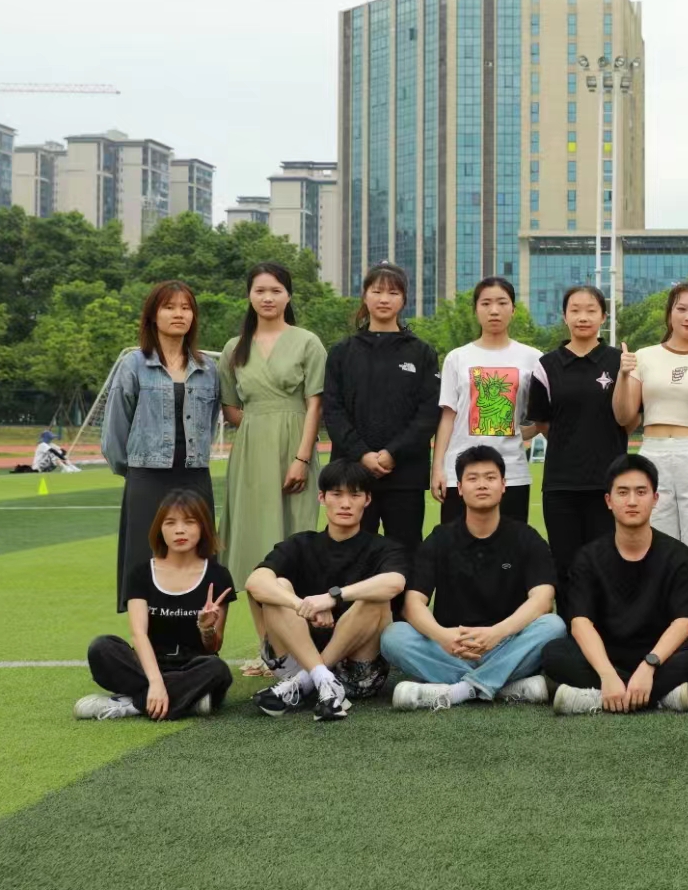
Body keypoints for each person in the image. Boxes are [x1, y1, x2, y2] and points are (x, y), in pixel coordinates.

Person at [381, 446, 566, 712]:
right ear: (459, 488)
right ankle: (502, 684)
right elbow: (412, 604)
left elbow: (543, 599)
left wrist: (497, 633)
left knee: (553, 626)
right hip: (451, 646)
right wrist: (443, 636)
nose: (482, 484)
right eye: (473, 478)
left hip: (506, 642)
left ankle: (461, 690)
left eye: (490, 478)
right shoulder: (440, 539)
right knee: (393, 635)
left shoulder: (526, 538)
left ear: (503, 485)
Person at [541, 454, 688, 714]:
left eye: (641, 492)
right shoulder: (588, 558)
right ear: (609, 501)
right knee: (554, 653)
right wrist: (607, 674)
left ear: (655, 499)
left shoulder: (679, 557)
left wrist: (649, 666)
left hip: (659, 656)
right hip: (605, 656)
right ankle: (661, 695)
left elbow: (683, 623)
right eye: (623, 492)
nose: (632, 501)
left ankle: (598, 698)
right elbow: (580, 623)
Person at [219, 262, 327, 670]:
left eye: (276, 290)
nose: (267, 297)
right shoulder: (234, 348)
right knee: (253, 549)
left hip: (295, 450)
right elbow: (231, 408)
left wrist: (301, 457)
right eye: (260, 290)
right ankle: (268, 652)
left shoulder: (307, 342)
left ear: (288, 296)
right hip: (250, 458)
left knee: (293, 545)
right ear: (249, 295)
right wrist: (259, 430)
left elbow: (315, 404)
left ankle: (295, 649)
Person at [244, 460, 406, 721]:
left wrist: (332, 598)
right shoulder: (300, 543)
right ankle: (321, 678)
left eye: (355, 495)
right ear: (322, 497)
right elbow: (255, 581)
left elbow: (395, 582)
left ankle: (308, 681)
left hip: (357, 675)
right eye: (336, 494)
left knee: (375, 597)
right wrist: (304, 606)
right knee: (277, 586)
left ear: (367, 500)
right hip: (293, 664)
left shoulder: (384, 548)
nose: (345, 503)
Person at [613, 282, 688, 617]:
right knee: (655, 545)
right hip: (653, 453)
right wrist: (623, 375)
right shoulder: (643, 357)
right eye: (682, 309)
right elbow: (624, 416)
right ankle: (657, 628)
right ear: (670, 314)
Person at [104, 282, 220, 612]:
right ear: (153, 316)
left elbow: (210, 422)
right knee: (145, 558)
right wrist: (133, 470)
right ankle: (145, 634)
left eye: (186, 307)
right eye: (169, 307)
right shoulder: (134, 364)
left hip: (194, 476)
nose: (178, 314)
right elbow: (115, 429)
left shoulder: (208, 369)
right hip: (147, 476)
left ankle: (196, 631)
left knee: (197, 557)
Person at [75, 490, 234, 721]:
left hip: (194, 667)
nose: (179, 530)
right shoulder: (141, 573)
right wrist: (156, 683)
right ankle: (183, 698)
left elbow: (213, 647)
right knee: (101, 648)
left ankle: (130, 704)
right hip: (147, 666)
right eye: (170, 523)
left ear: (203, 527)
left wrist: (206, 628)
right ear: (160, 529)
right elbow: (138, 634)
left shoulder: (218, 576)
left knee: (218, 670)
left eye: (189, 522)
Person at [322, 263, 441, 560]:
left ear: (404, 299)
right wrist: (362, 454)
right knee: (351, 554)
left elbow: (428, 414)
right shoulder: (342, 352)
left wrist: (392, 453)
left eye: (393, 292)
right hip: (352, 475)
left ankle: (404, 596)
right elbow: (333, 410)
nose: (384, 299)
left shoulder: (421, 353)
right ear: (364, 296)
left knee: (406, 554)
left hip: (405, 475)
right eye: (377, 291)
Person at [527, 285, 630, 615]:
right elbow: (543, 423)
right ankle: (572, 631)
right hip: (561, 485)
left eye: (591, 310)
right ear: (564, 316)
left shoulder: (619, 361)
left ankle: (609, 632)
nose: (583, 317)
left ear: (604, 316)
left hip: (609, 484)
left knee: (609, 564)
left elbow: (630, 420)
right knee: (566, 566)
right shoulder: (546, 366)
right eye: (575, 310)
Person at [432, 276, 545, 527]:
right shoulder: (457, 358)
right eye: (486, 303)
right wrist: (438, 468)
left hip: (511, 472)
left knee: (510, 544)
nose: (494, 310)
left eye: (502, 303)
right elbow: (448, 417)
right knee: (457, 543)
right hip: (461, 471)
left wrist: (526, 431)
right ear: (475, 310)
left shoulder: (533, 358)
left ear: (513, 309)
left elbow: (543, 414)